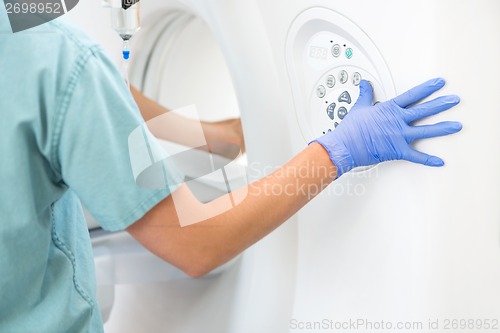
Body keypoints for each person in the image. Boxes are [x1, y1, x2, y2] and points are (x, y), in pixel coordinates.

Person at [0, 5, 462, 333]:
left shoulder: (49, 54)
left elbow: (89, 102)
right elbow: (197, 245)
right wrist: (340, 148)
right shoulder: (55, 55)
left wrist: (218, 136)